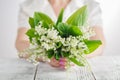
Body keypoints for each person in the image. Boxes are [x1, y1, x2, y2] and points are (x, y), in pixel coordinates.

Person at [15, 0, 105, 68]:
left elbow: (99, 44)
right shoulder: (29, 6)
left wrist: (76, 56)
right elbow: (20, 42)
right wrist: (46, 56)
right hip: (41, 70)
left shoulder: (90, 5)